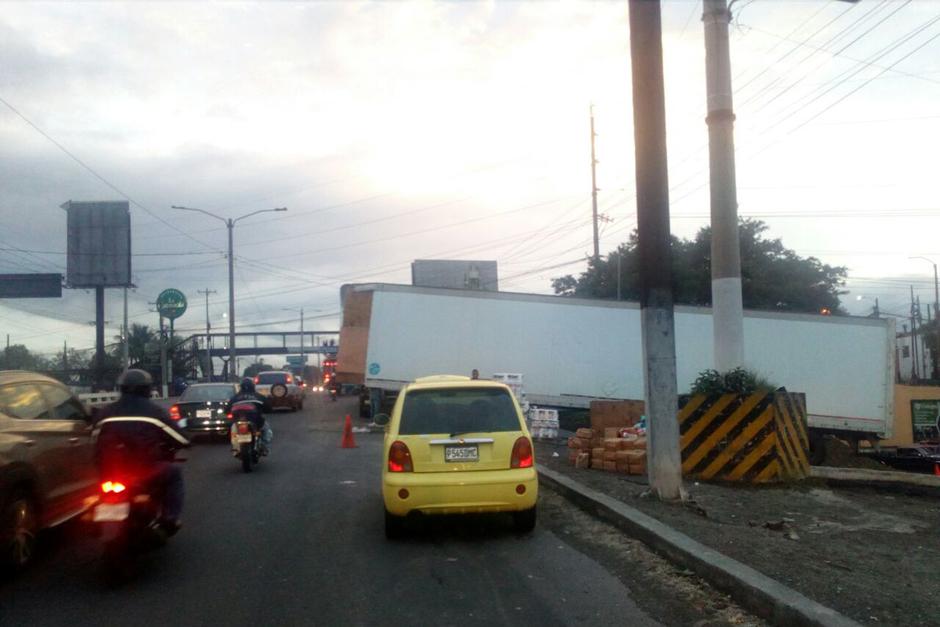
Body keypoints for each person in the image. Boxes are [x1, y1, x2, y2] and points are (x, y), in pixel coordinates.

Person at [95, 369, 188, 534]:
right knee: (174, 472)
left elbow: (92, 438)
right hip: (145, 470)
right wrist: (186, 442)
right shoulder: (154, 412)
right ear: (147, 389)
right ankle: (170, 519)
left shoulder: (105, 412)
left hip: (109, 472)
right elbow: (181, 439)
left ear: (121, 388)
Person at [230, 378, 274, 453]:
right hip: (256, 421)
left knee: (234, 430)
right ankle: (264, 446)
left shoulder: (235, 398)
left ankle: (236, 448)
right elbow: (268, 408)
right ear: (253, 386)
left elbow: (227, 409)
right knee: (267, 431)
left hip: (238, 422)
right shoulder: (259, 396)